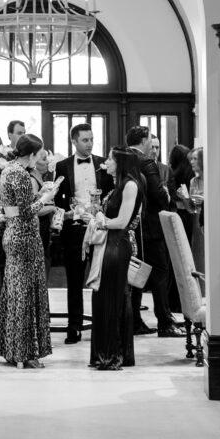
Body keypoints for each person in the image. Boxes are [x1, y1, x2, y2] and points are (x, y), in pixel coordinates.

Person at [0, 134, 61, 368]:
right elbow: (24, 211)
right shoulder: (21, 174)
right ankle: (24, 352)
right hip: (25, 238)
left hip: (12, 234)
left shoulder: (7, 170)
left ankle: (7, 347)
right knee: (26, 295)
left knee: (12, 293)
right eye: (38, 155)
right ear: (31, 155)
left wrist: (39, 196)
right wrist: (48, 198)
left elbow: (11, 211)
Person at [84, 146, 145, 370]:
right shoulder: (118, 185)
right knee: (104, 299)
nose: (106, 162)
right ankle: (107, 352)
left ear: (121, 163)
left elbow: (121, 221)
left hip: (117, 246)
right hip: (110, 244)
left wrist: (100, 219)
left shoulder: (130, 185)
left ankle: (111, 354)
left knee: (111, 299)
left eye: (110, 159)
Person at [53, 123, 113, 343]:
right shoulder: (62, 165)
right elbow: (57, 198)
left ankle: (102, 324)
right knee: (75, 279)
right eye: (85, 140)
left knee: (100, 278)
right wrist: (66, 213)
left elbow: (110, 193)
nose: (90, 144)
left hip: (99, 227)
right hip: (74, 229)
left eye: (91, 139)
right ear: (74, 142)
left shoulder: (103, 164)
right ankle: (74, 326)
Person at [126, 125, 182, 337]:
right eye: (150, 139)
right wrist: (166, 194)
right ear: (143, 140)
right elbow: (160, 195)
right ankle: (165, 322)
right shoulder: (146, 162)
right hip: (150, 227)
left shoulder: (122, 157)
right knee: (159, 274)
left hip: (130, 226)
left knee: (135, 274)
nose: (152, 144)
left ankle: (134, 321)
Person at [30, 146, 56, 279]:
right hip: (38, 226)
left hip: (45, 227)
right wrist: (53, 209)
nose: (47, 162)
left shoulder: (41, 179)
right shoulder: (32, 180)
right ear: (34, 161)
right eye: (44, 159)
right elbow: (35, 209)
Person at [187, 146, 205, 290]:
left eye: (195, 158)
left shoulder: (212, 180)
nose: (192, 162)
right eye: (191, 159)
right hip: (196, 223)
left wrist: (204, 200)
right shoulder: (193, 181)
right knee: (197, 259)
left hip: (207, 223)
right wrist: (186, 199)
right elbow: (191, 209)